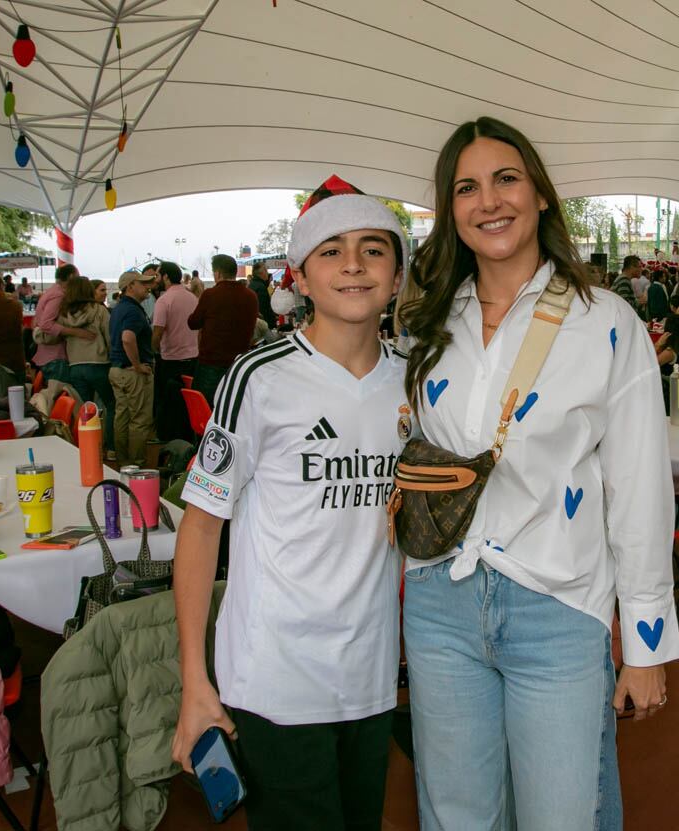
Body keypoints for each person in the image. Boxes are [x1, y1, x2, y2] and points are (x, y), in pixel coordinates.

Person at [396, 117, 678, 830]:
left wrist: (645, 644)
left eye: (506, 179)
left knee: (563, 816)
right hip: (439, 599)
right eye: (466, 188)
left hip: (557, 605)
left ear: (541, 194)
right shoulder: (430, 323)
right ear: (450, 210)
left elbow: (640, 489)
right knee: (456, 816)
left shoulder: (605, 322)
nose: (489, 201)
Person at [171, 179, 409, 830]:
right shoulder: (258, 378)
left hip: (370, 675)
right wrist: (195, 681)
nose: (353, 264)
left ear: (396, 276)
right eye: (331, 251)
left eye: (373, 249)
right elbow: (200, 527)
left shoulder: (414, 380)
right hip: (274, 679)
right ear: (300, 277)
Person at [188, 254, 259, 404]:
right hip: (239, 363)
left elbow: (193, 323)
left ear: (218, 273)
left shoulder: (210, 295)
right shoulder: (251, 296)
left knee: (207, 408)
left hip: (212, 363)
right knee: (234, 406)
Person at [57, 275, 115, 451]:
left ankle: (87, 448)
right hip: (99, 363)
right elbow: (109, 337)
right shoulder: (99, 310)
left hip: (75, 365)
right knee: (111, 404)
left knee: (85, 410)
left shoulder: (63, 314)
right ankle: (111, 447)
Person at [108, 270, 156, 467]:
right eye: (142, 283)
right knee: (139, 420)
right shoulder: (134, 311)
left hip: (117, 369)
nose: (148, 287)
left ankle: (123, 462)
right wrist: (137, 366)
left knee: (122, 416)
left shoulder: (118, 309)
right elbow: (128, 338)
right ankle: (136, 465)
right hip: (132, 372)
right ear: (130, 287)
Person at [150, 261, 200, 441]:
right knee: (187, 405)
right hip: (193, 359)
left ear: (166, 277)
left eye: (158, 275)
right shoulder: (192, 298)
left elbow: (157, 332)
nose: (156, 279)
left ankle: (169, 441)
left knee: (168, 405)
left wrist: (154, 351)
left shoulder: (164, 301)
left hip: (170, 361)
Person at [32, 263, 83, 381]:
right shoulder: (58, 295)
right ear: (71, 277)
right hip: (55, 356)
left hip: (48, 355)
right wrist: (76, 332)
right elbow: (46, 324)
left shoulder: (50, 292)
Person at [248, 261, 275, 330]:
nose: (267, 273)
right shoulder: (260, 287)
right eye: (266, 270)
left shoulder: (252, 284)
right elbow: (264, 309)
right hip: (262, 324)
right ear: (262, 273)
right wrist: (272, 324)